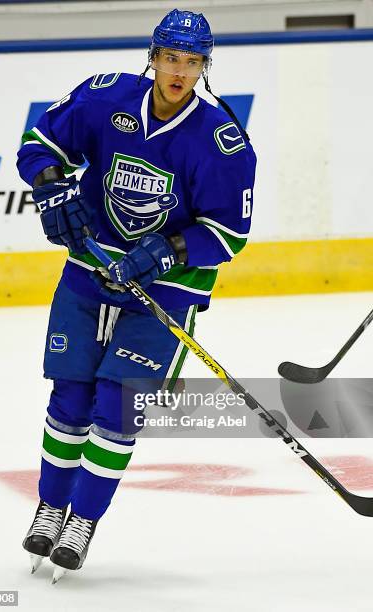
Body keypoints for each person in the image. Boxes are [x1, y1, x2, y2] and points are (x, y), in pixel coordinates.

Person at [17, 8, 256, 583]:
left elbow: (229, 234)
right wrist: (52, 191)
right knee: (70, 397)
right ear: (152, 57)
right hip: (90, 271)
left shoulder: (223, 142)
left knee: (116, 406)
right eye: (171, 58)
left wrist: (165, 250)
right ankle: (51, 508)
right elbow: (39, 144)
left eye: (192, 61)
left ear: (204, 67)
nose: (180, 72)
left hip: (163, 293)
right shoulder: (104, 99)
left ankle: (83, 519)